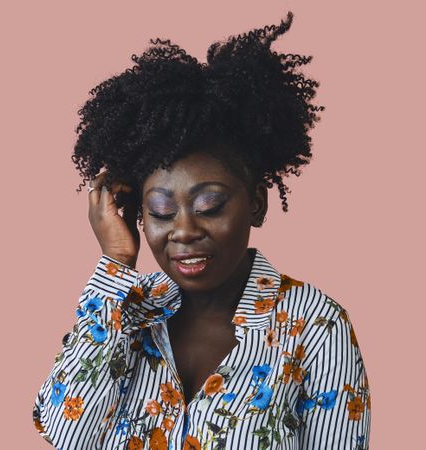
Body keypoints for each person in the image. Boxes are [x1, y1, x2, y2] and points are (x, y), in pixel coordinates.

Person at [32, 11, 370, 450]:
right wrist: (115, 264)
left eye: (209, 206)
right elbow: (66, 433)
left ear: (256, 203)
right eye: (160, 211)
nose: (185, 231)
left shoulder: (317, 326)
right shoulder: (126, 310)